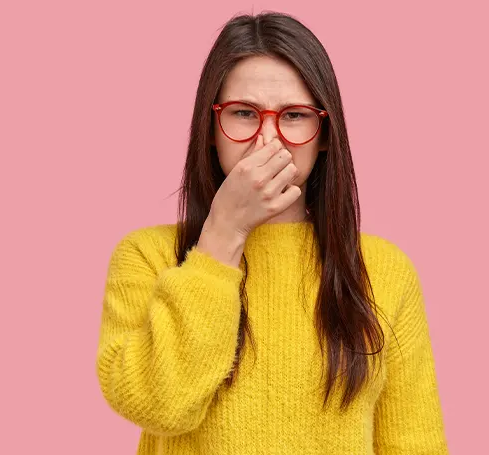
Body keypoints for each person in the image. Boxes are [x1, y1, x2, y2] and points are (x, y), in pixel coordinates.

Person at [95, 11, 448, 454]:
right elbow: (157, 406)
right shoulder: (148, 255)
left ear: (324, 133)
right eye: (244, 113)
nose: (268, 140)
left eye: (294, 116)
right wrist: (222, 236)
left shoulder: (383, 269)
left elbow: (415, 443)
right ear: (211, 127)